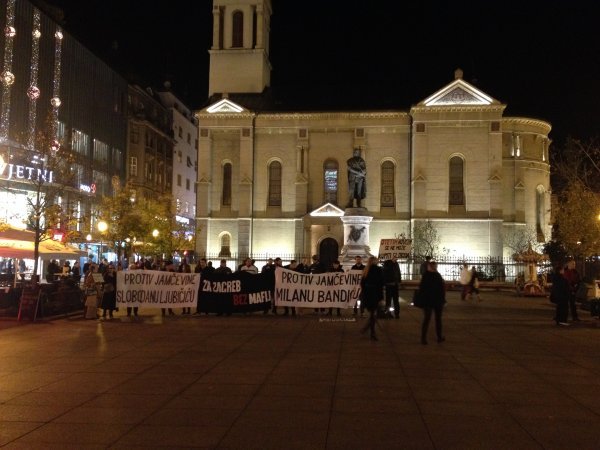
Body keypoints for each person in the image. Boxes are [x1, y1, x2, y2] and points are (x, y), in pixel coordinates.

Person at [418, 260, 446, 344]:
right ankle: (439, 337)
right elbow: (442, 289)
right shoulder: (437, 276)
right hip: (436, 301)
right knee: (437, 320)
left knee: (427, 319)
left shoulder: (426, 276)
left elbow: (421, 289)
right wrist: (443, 300)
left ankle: (423, 338)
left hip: (428, 301)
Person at [360, 256, 384, 341]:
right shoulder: (378, 270)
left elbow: (362, 284)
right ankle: (372, 332)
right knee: (374, 314)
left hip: (367, 295)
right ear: (374, 261)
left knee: (372, 314)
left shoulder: (366, 270)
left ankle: (367, 329)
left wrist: (364, 294)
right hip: (375, 295)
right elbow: (380, 284)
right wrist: (381, 297)